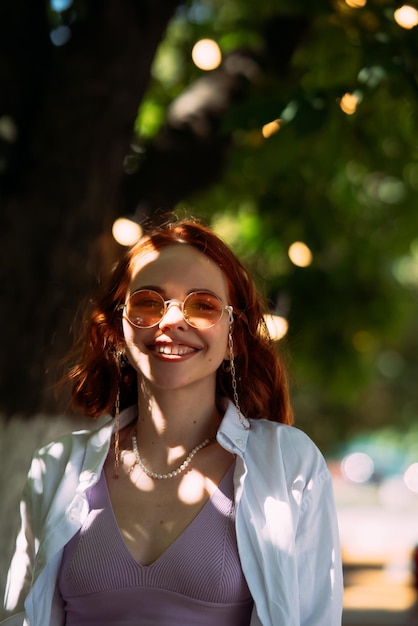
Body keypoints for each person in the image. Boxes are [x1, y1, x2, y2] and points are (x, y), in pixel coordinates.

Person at [2, 218, 343, 625]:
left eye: (202, 305)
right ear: (116, 330)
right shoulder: (57, 466)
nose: (171, 321)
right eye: (148, 302)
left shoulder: (288, 465)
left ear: (233, 336)